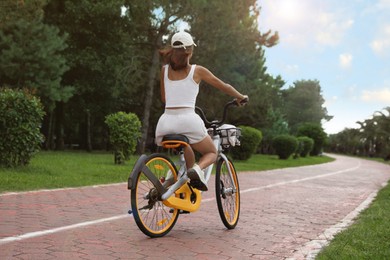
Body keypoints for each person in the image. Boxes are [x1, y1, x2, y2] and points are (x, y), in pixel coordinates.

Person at [155, 31, 248, 191]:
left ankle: (167, 186)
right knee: (211, 151)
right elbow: (223, 86)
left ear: (172, 49)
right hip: (188, 121)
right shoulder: (197, 71)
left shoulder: (164, 70)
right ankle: (197, 170)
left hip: (165, 122)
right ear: (190, 51)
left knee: (187, 149)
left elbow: (165, 99)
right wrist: (240, 97)